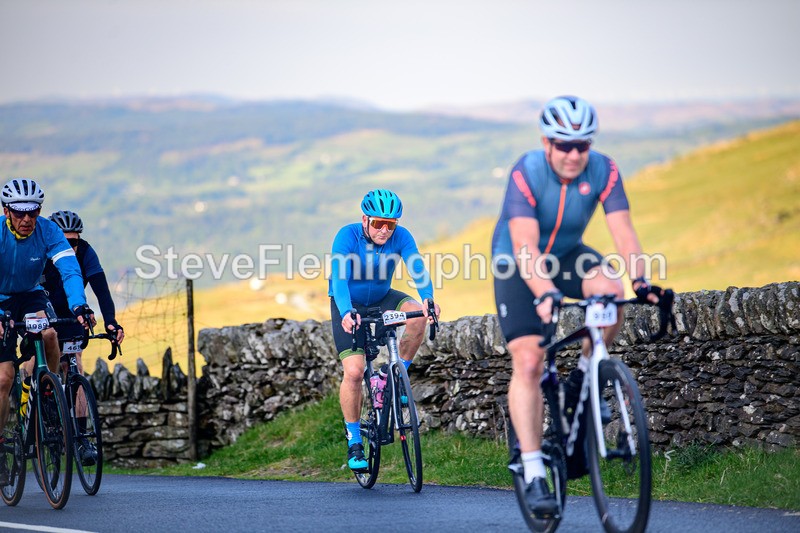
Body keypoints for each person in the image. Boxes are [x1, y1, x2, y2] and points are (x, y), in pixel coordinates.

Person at [491, 96, 662, 516]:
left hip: (569, 255)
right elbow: (525, 246)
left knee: (611, 291)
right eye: (564, 145)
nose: (573, 155)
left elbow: (623, 232)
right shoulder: (527, 171)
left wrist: (641, 280)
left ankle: (585, 375)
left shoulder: (604, 169)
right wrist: (544, 291)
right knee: (529, 361)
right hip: (517, 263)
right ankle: (534, 470)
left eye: (582, 145)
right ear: (546, 143)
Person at [328, 189, 440, 472]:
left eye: (391, 224)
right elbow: (339, 279)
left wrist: (428, 299)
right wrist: (346, 312)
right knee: (354, 372)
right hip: (348, 304)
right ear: (365, 219)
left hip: (382, 297)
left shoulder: (401, 237)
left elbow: (417, 267)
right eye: (379, 223)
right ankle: (354, 440)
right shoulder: (347, 236)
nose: (385, 231)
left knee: (417, 315)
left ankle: (393, 377)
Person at [0, 178, 95, 486]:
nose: (27, 219)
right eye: (19, 212)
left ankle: (48, 394)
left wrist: (79, 305)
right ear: (7, 211)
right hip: (0, 299)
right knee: (4, 378)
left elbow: (70, 269)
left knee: (51, 334)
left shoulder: (49, 231)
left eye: (34, 212)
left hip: (30, 295)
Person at [40, 209, 124, 466]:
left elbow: (102, 290)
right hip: (43, 313)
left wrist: (111, 322)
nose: (70, 248)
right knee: (34, 364)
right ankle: (41, 407)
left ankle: (82, 438)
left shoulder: (86, 252)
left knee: (75, 366)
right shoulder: (41, 252)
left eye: (74, 242)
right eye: (64, 242)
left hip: (73, 315)